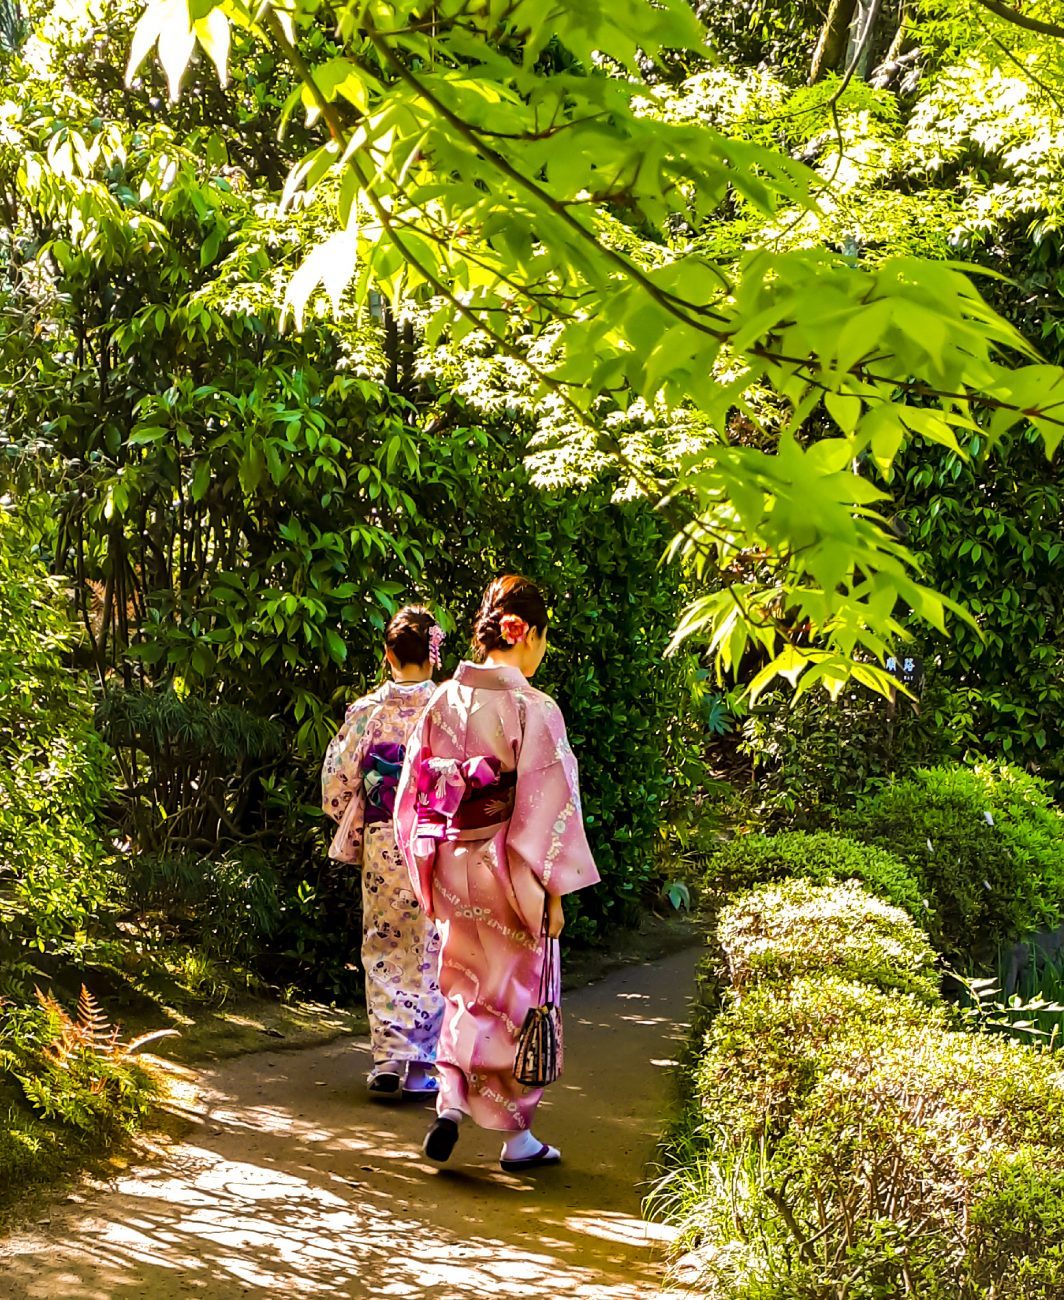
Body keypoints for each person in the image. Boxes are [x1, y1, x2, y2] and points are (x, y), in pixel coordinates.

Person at [394, 575, 600, 1171]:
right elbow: (549, 807)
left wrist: (425, 868)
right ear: (526, 633)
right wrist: (554, 891)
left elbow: (414, 791)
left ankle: (451, 1103)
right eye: (543, 638)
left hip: (453, 861)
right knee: (515, 995)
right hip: (508, 868)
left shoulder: (443, 699)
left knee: (462, 985)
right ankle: (515, 1139)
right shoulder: (532, 707)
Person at [322, 606, 446, 1098]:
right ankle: (422, 1067)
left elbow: (336, 784)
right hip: (435, 838)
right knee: (430, 947)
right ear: (434, 655)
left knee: (383, 943)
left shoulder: (367, 711)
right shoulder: (447, 708)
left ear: (387, 656)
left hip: (382, 841)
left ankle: (388, 1060)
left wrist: (357, 808)